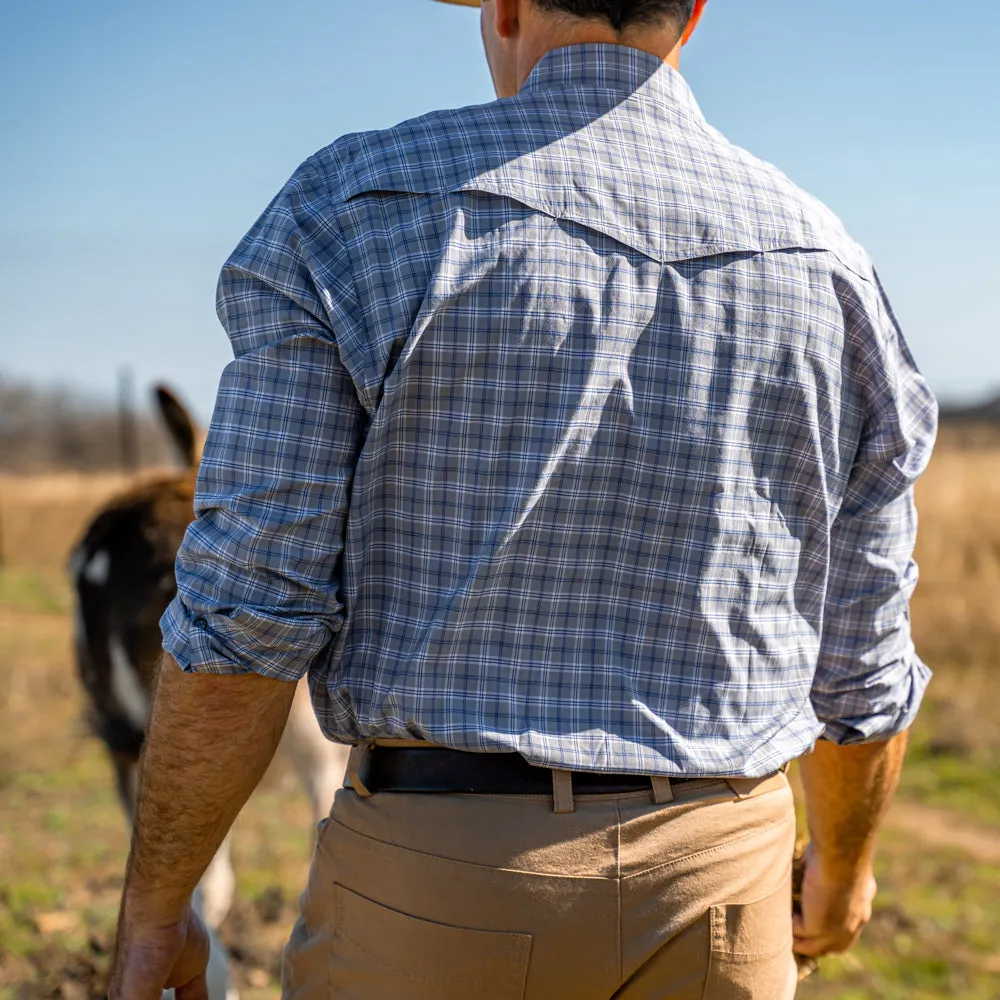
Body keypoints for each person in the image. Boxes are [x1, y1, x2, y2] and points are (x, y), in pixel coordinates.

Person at [109, 1, 938, 997]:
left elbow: (250, 614)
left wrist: (160, 907)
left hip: (434, 886)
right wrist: (841, 875)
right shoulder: (832, 269)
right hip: (725, 882)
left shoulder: (353, 212)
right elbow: (862, 657)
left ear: (504, 8)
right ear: (692, 18)